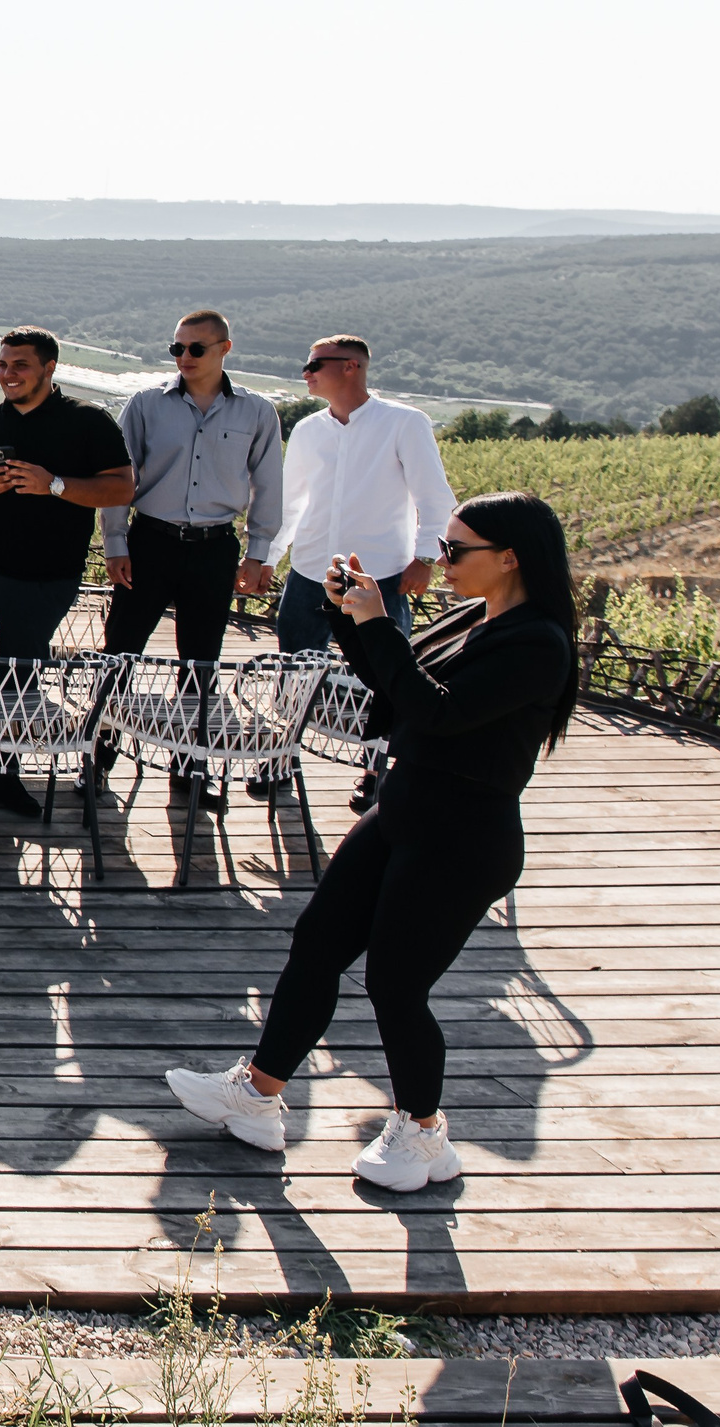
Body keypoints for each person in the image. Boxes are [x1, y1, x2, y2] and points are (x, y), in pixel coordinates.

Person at [165, 491, 578, 1193]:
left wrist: (379, 621)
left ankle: (424, 1133)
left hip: (462, 839)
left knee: (396, 983)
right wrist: (347, 616)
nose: (442, 560)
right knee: (318, 941)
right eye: (443, 546)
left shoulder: (539, 643)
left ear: (510, 558)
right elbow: (395, 692)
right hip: (404, 810)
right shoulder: (476, 617)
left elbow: (436, 712)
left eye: (456, 549)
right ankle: (257, 1094)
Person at [0, 327, 135, 815]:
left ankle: (1, 776)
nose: (7, 374)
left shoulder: (88, 421)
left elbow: (122, 488)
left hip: (46, 577)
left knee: (18, 680)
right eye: (2, 364)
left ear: (49, 367)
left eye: (19, 364)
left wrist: (54, 485)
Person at [97, 311, 284, 802]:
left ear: (225, 349)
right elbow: (118, 478)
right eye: (176, 348)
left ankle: (189, 768)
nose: (184, 357)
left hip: (214, 549)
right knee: (120, 653)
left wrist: (258, 553)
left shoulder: (257, 412)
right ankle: (97, 760)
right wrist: (115, 543)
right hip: (150, 543)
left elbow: (268, 486)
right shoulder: (145, 405)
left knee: (201, 664)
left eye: (195, 349)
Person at [274, 334, 457, 806]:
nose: (306, 372)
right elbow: (290, 503)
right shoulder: (308, 430)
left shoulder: (405, 423)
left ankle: (375, 772)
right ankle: (280, 760)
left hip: (381, 577)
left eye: (315, 364)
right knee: (295, 671)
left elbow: (435, 498)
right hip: (310, 571)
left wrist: (425, 558)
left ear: (351, 367)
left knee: (385, 677)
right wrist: (268, 557)